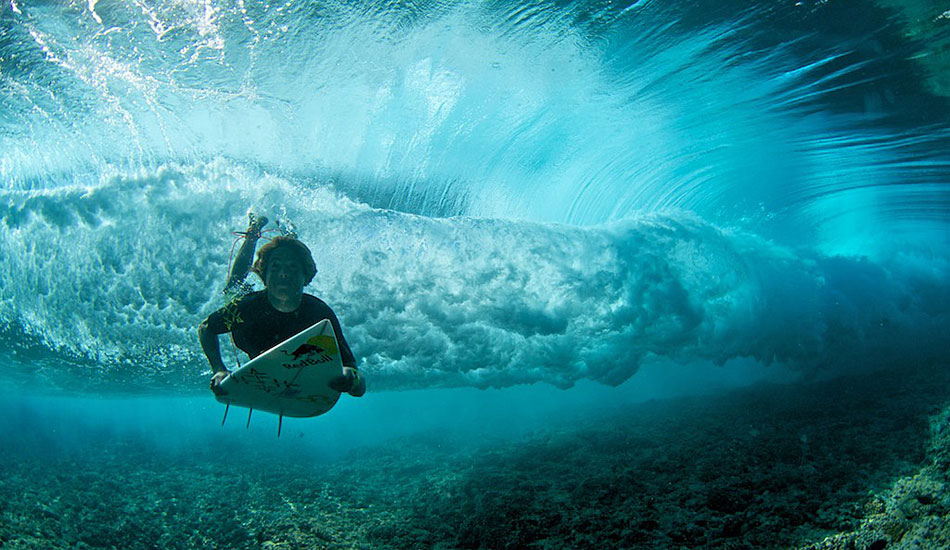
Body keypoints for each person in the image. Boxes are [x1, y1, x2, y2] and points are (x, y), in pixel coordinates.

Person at [198, 215, 365, 397]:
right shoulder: (244, 308)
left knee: (287, 252)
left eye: (293, 268)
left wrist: (352, 379)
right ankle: (253, 234)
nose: (284, 274)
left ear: (305, 276)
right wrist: (219, 369)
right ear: (265, 276)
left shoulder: (319, 314)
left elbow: (357, 381)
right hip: (245, 318)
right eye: (275, 268)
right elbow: (207, 327)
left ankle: (289, 237)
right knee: (234, 285)